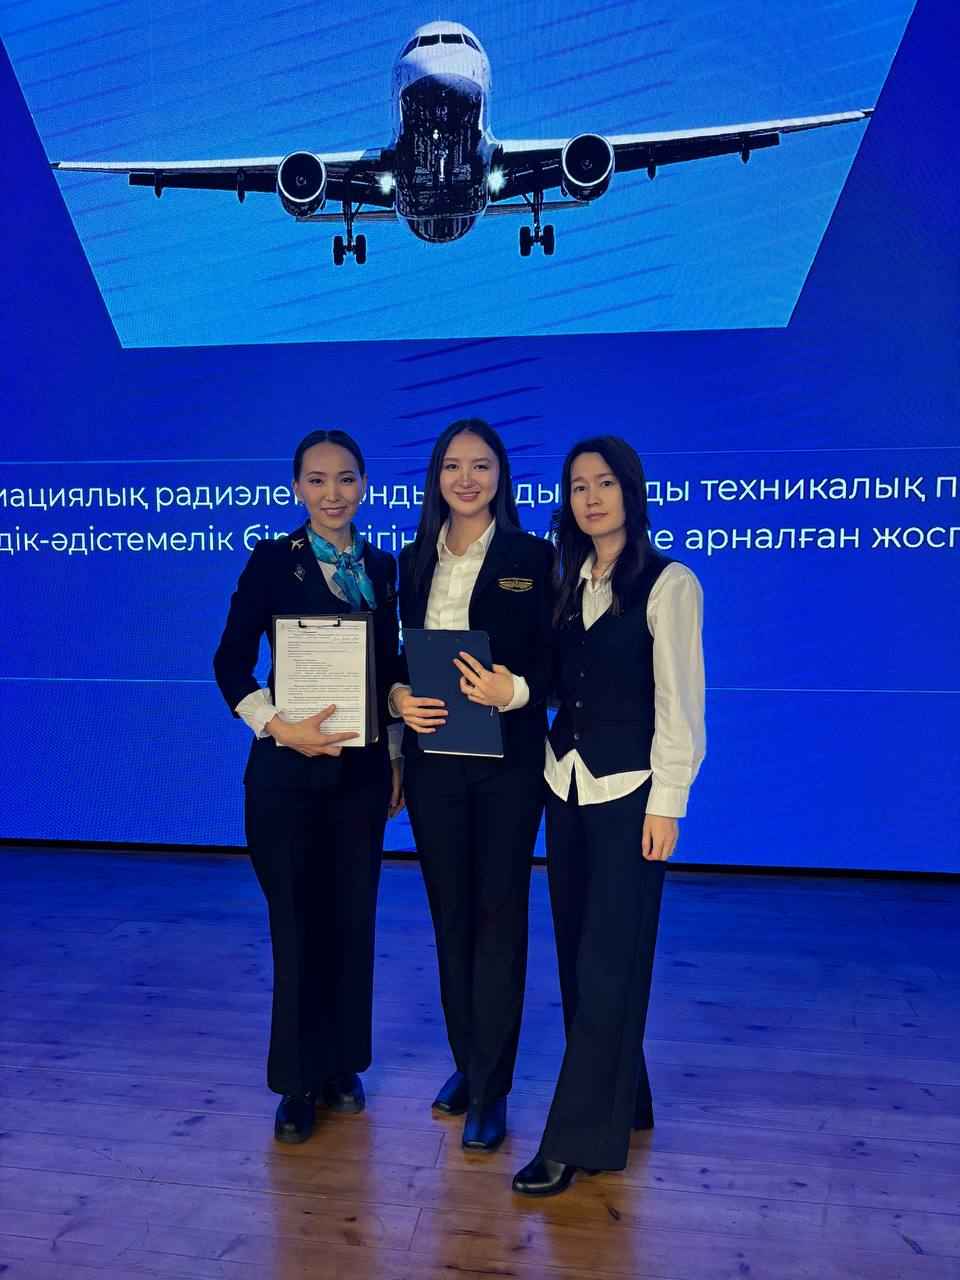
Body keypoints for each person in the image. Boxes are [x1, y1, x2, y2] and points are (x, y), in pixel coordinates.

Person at [512, 435, 705, 1195]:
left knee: (607, 963)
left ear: (631, 490)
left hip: (631, 796)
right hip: (564, 788)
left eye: (604, 483)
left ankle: (576, 1139)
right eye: (577, 486)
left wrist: (669, 803)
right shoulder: (568, 583)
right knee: (578, 958)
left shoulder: (669, 583)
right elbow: (558, 685)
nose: (590, 498)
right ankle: (627, 1099)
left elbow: (679, 705)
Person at [213, 429, 403, 1144]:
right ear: (297, 488)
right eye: (317, 480)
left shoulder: (382, 567)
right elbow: (229, 662)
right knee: (296, 927)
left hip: (362, 777)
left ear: (364, 485)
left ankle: (342, 1066)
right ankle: (296, 1082)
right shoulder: (271, 560)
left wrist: (398, 758)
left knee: (353, 922)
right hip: (285, 778)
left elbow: (391, 673)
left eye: (346, 479)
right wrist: (274, 725)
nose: (332, 494)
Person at [391, 418, 554, 1152]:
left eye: (481, 465)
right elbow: (398, 661)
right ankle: (468, 1061)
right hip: (434, 766)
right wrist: (398, 700)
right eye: (453, 466)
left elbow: (557, 662)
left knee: (499, 920)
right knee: (450, 918)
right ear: (436, 477)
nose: (466, 479)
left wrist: (512, 689)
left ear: (500, 476)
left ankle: (494, 1089)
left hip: (508, 768)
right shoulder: (411, 560)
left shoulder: (535, 557)